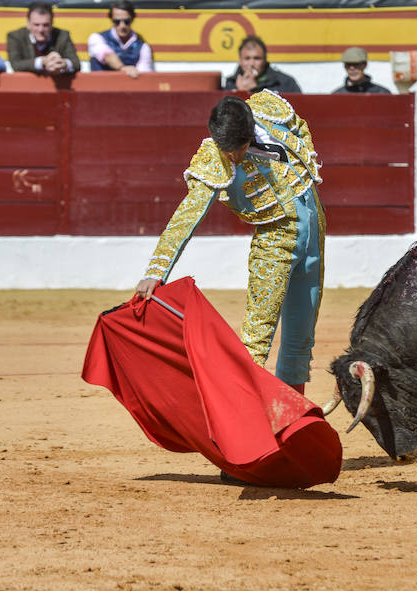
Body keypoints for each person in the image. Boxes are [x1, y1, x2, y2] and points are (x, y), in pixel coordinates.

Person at [135, 92, 324, 395]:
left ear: (248, 135)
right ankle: (244, 415)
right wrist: (157, 270)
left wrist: (308, 171)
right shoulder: (215, 156)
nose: (231, 157)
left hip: (314, 226)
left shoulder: (269, 110)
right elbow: (188, 213)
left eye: (236, 150)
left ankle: (290, 412)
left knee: (301, 332)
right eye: (226, 150)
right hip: (275, 238)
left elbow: (300, 125)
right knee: (256, 337)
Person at [7, 2, 80, 75]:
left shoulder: (62, 35)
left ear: (52, 24)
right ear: (28, 24)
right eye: (36, 25)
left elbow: (76, 63)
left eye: (45, 25)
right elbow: (16, 64)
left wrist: (63, 63)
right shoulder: (15, 36)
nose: (40, 30)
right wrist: (43, 61)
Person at [87, 0, 153, 78]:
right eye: (117, 21)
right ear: (111, 20)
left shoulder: (143, 47)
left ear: (132, 19)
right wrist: (123, 68)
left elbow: (143, 75)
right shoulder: (96, 38)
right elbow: (106, 55)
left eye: (126, 21)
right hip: (100, 87)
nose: (122, 26)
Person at [223, 36, 301, 94]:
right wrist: (241, 93)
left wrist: (255, 91)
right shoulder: (231, 84)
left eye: (257, 58)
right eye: (247, 58)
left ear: (265, 60)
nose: (251, 64)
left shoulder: (285, 82)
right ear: (240, 61)